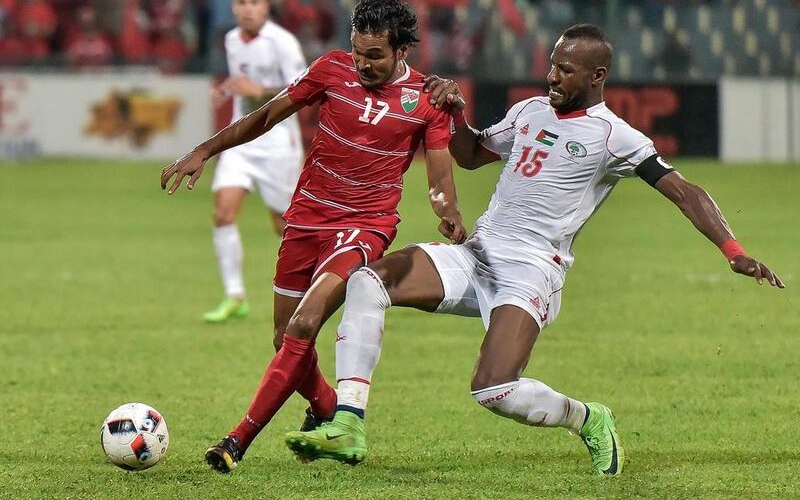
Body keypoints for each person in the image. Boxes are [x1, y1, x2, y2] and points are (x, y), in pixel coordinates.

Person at [284, 24, 784, 475]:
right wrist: (455, 114)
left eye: (565, 70)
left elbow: (685, 190)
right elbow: (473, 154)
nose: (552, 76)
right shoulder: (530, 110)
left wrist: (733, 249)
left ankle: (588, 417)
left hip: (531, 270)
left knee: (494, 390)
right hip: (478, 252)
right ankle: (349, 420)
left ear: (597, 75)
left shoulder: (615, 136)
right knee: (368, 280)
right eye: (551, 64)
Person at [160, 0, 466, 473]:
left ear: (402, 50)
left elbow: (440, 174)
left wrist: (447, 211)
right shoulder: (330, 69)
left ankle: (235, 441)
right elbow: (265, 115)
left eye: (375, 56)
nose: (362, 64)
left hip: (364, 227)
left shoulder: (427, 99)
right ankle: (324, 407)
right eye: (357, 51)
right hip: (306, 218)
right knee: (285, 338)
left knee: (305, 324)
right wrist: (204, 149)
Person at [202, 0, 306, 323]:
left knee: (285, 226)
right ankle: (234, 295)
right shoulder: (232, 40)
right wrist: (232, 88)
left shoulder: (283, 42)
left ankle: (315, 288)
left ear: (266, 7)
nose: (247, 9)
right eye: (242, 3)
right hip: (241, 141)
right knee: (222, 213)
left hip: (277, 144)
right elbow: (244, 81)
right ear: (233, 7)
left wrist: (257, 88)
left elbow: (301, 91)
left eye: (254, 3)